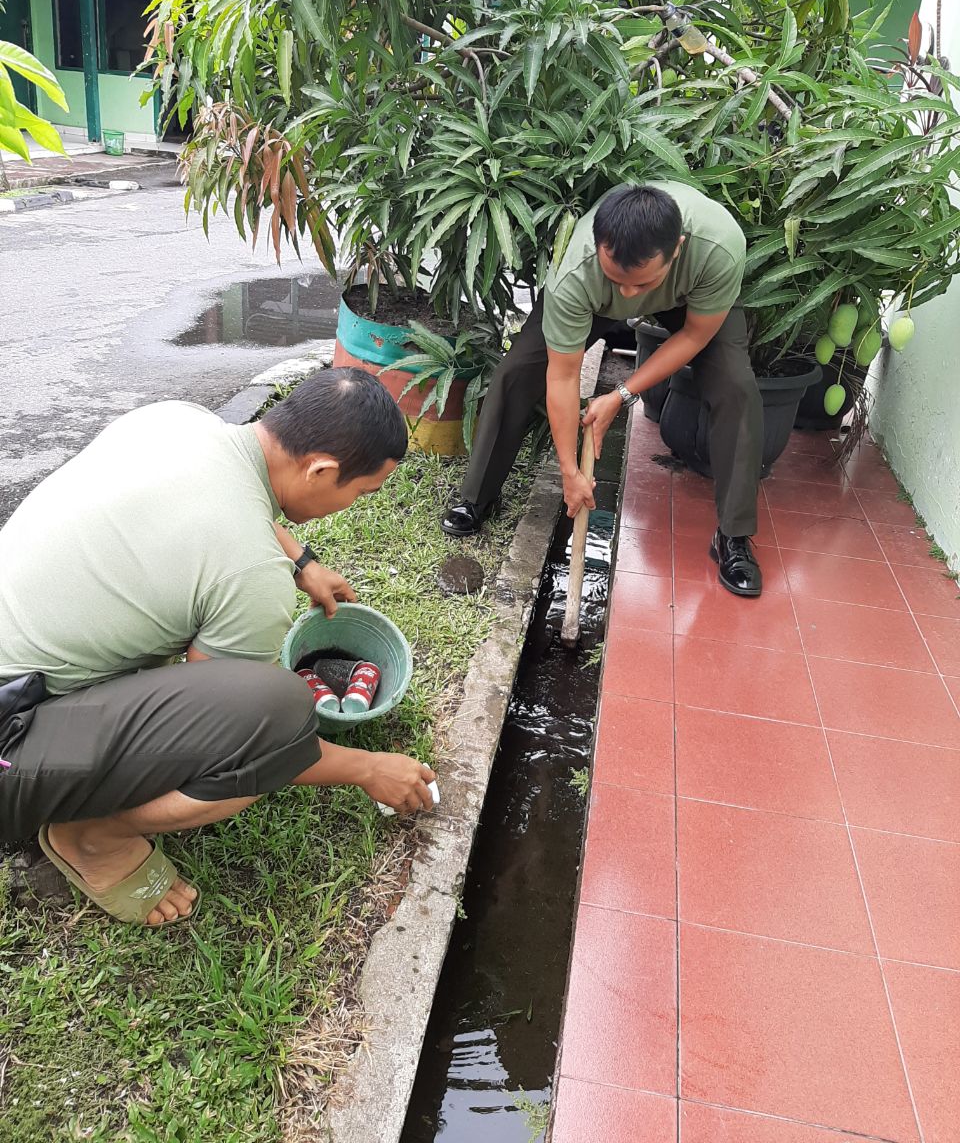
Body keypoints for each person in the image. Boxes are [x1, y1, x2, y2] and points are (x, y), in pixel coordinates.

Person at [0, 368, 437, 926]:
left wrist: (301, 562)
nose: (356, 502)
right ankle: (92, 836)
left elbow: (228, 505)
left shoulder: (177, 422)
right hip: (11, 737)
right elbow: (228, 734)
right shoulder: (251, 578)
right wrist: (366, 767)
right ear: (322, 469)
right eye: (361, 491)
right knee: (273, 714)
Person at [442, 182, 764, 596]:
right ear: (598, 247)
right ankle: (478, 496)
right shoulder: (576, 273)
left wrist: (622, 394)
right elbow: (561, 377)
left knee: (736, 387)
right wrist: (570, 471)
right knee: (517, 372)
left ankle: (733, 536)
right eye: (617, 280)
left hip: (688, 299)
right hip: (593, 300)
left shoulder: (718, 246)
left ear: (678, 248)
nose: (629, 297)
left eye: (640, 286)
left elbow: (695, 336)